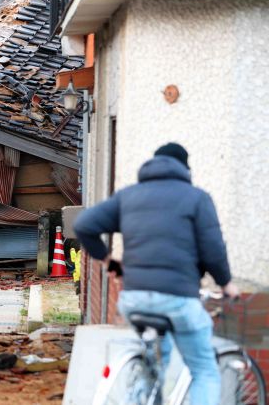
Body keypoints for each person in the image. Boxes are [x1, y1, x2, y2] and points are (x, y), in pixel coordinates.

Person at [74, 142, 238, 405]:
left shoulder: (128, 196)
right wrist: (226, 283)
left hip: (133, 299)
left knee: (156, 363)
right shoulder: (196, 198)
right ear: (185, 168)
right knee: (204, 370)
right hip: (178, 299)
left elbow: (83, 224)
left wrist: (108, 261)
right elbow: (213, 251)